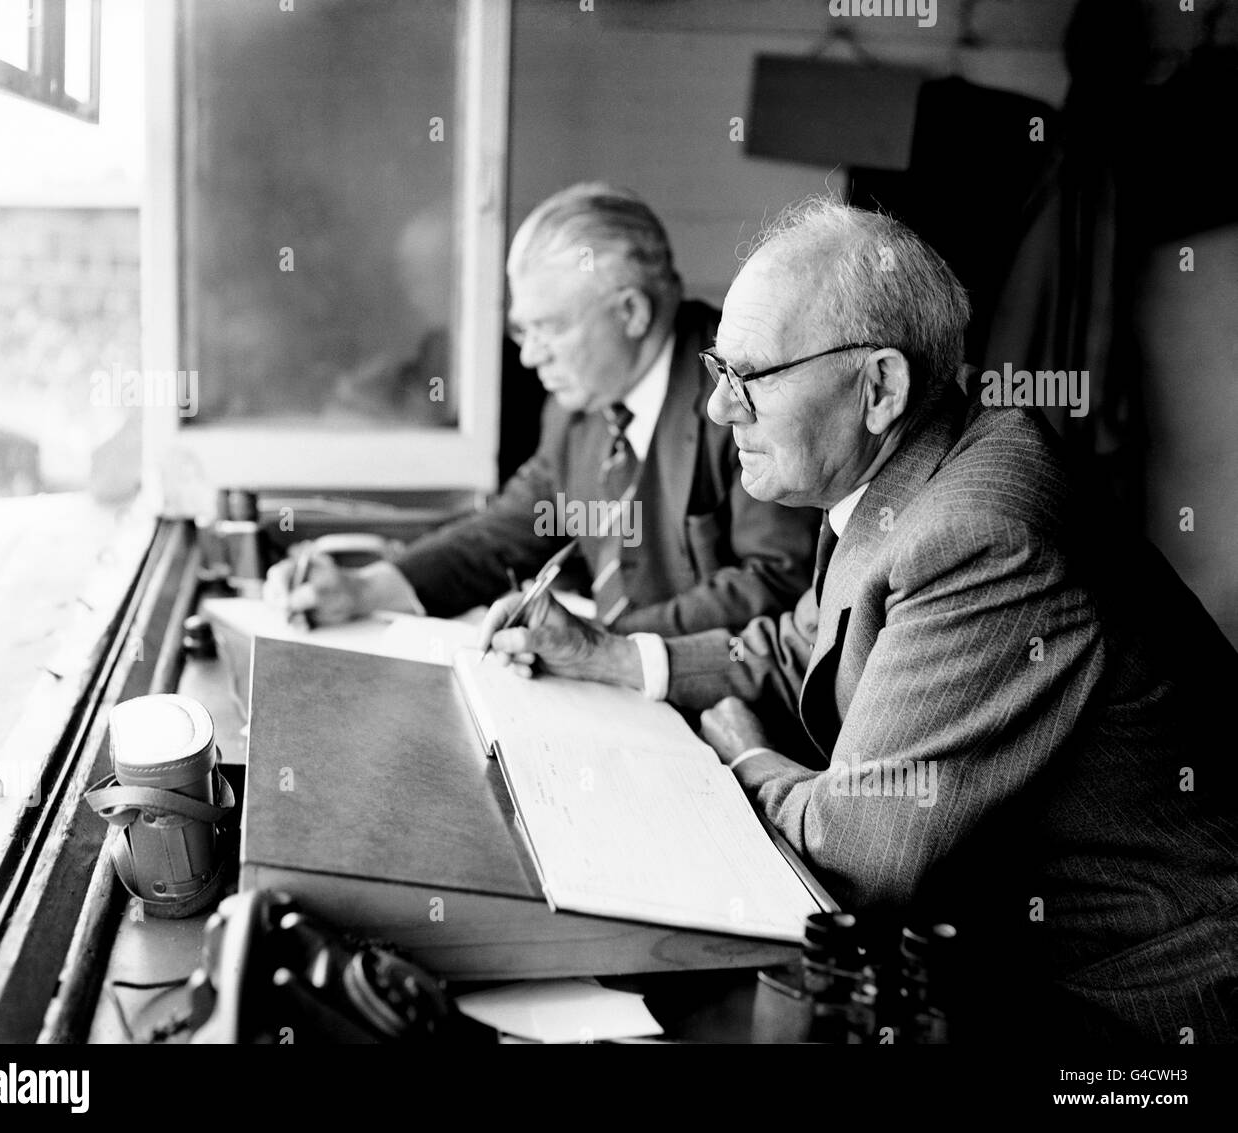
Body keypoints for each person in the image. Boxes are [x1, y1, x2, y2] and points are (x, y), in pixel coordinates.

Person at [481, 198, 1238, 1043]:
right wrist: (616, 657)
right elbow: (802, 641)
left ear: (878, 386)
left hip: (1142, 1006)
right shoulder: (908, 475)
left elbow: (858, 852)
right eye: (715, 370)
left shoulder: (979, 533)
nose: (720, 411)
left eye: (749, 379)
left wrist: (743, 753)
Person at [268, 183, 819, 636]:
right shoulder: (575, 409)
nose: (530, 355)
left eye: (549, 329)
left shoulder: (740, 395)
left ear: (630, 312)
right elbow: (508, 529)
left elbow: (777, 581)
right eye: (521, 330)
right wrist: (364, 589)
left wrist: (604, 647)